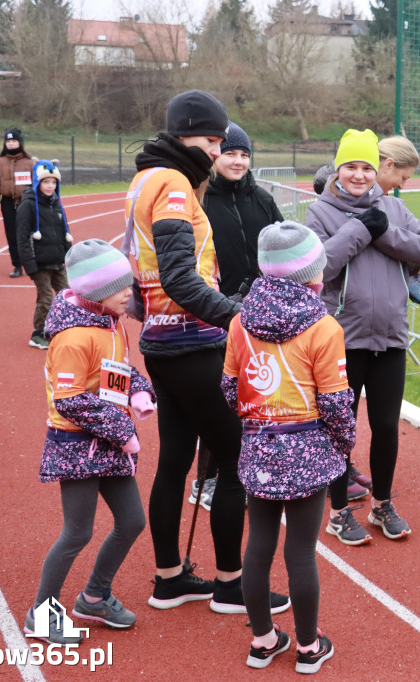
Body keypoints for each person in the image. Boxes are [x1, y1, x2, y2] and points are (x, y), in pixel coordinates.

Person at [123, 89, 288, 615]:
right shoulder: (172, 185)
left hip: (162, 341)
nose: (217, 151)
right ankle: (230, 584)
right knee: (236, 459)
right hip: (192, 342)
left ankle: (169, 578)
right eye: (211, 139)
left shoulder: (146, 177)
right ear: (184, 134)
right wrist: (236, 315)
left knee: (174, 460)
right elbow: (177, 276)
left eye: (221, 141)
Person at [222, 221, 355, 674]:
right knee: (300, 551)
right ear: (314, 275)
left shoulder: (240, 321)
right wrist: (344, 442)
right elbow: (337, 401)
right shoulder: (324, 326)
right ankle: (308, 647)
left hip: (259, 445)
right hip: (308, 445)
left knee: (258, 545)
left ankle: (262, 640)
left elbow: (229, 386)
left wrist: (256, 421)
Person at [307, 128, 420, 545]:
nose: (360, 175)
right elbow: (320, 268)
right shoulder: (320, 213)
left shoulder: (394, 210)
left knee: (385, 426)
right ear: (338, 168)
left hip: (390, 340)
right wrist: (362, 230)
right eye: (351, 166)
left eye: (367, 167)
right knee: (340, 428)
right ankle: (339, 512)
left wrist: (385, 231)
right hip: (340, 342)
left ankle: (382, 504)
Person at [22, 239, 154, 645]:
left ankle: (95, 596)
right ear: (97, 293)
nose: (129, 294)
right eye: (121, 288)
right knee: (77, 532)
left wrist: (137, 388)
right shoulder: (74, 337)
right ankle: (40, 615)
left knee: (132, 520)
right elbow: (70, 399)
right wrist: (123, 430)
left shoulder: (109, 322)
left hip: (107, 440)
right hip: (76, 444)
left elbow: (114, 370)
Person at [188, 120, 285, 513]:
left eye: (244, 154)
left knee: (260, 393)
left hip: (261, 310)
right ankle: (206, 480)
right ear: (215, 156)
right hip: (219, 311)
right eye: (230, 152)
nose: (238, 160)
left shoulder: (262, 199)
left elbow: (282, 244)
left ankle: (252, 470)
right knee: (220, 399)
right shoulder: (201, 199)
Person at [17, 160, 73, 350]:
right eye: (46, 182)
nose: (50, 186)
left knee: (68, 295)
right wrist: (30, 265)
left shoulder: (56, 203)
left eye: (53, 182)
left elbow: (64, 230)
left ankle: (62, 328)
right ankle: (38, 333)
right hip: (40, 264)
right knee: (46, 298)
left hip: (57, 261)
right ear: (37, 182)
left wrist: (68, 254)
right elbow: (22, 238)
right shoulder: (28, 205)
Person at [0, 128, 34, 278]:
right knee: (11, 235)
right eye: (8, 141)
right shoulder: (0, 163)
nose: (11, 144)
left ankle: (32, 263)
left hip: (25, 203)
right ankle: (17, 265)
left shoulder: (30, 162)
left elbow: (36, 185)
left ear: (20, 142)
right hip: (7, 203)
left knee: (27, 234)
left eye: (14, 141)